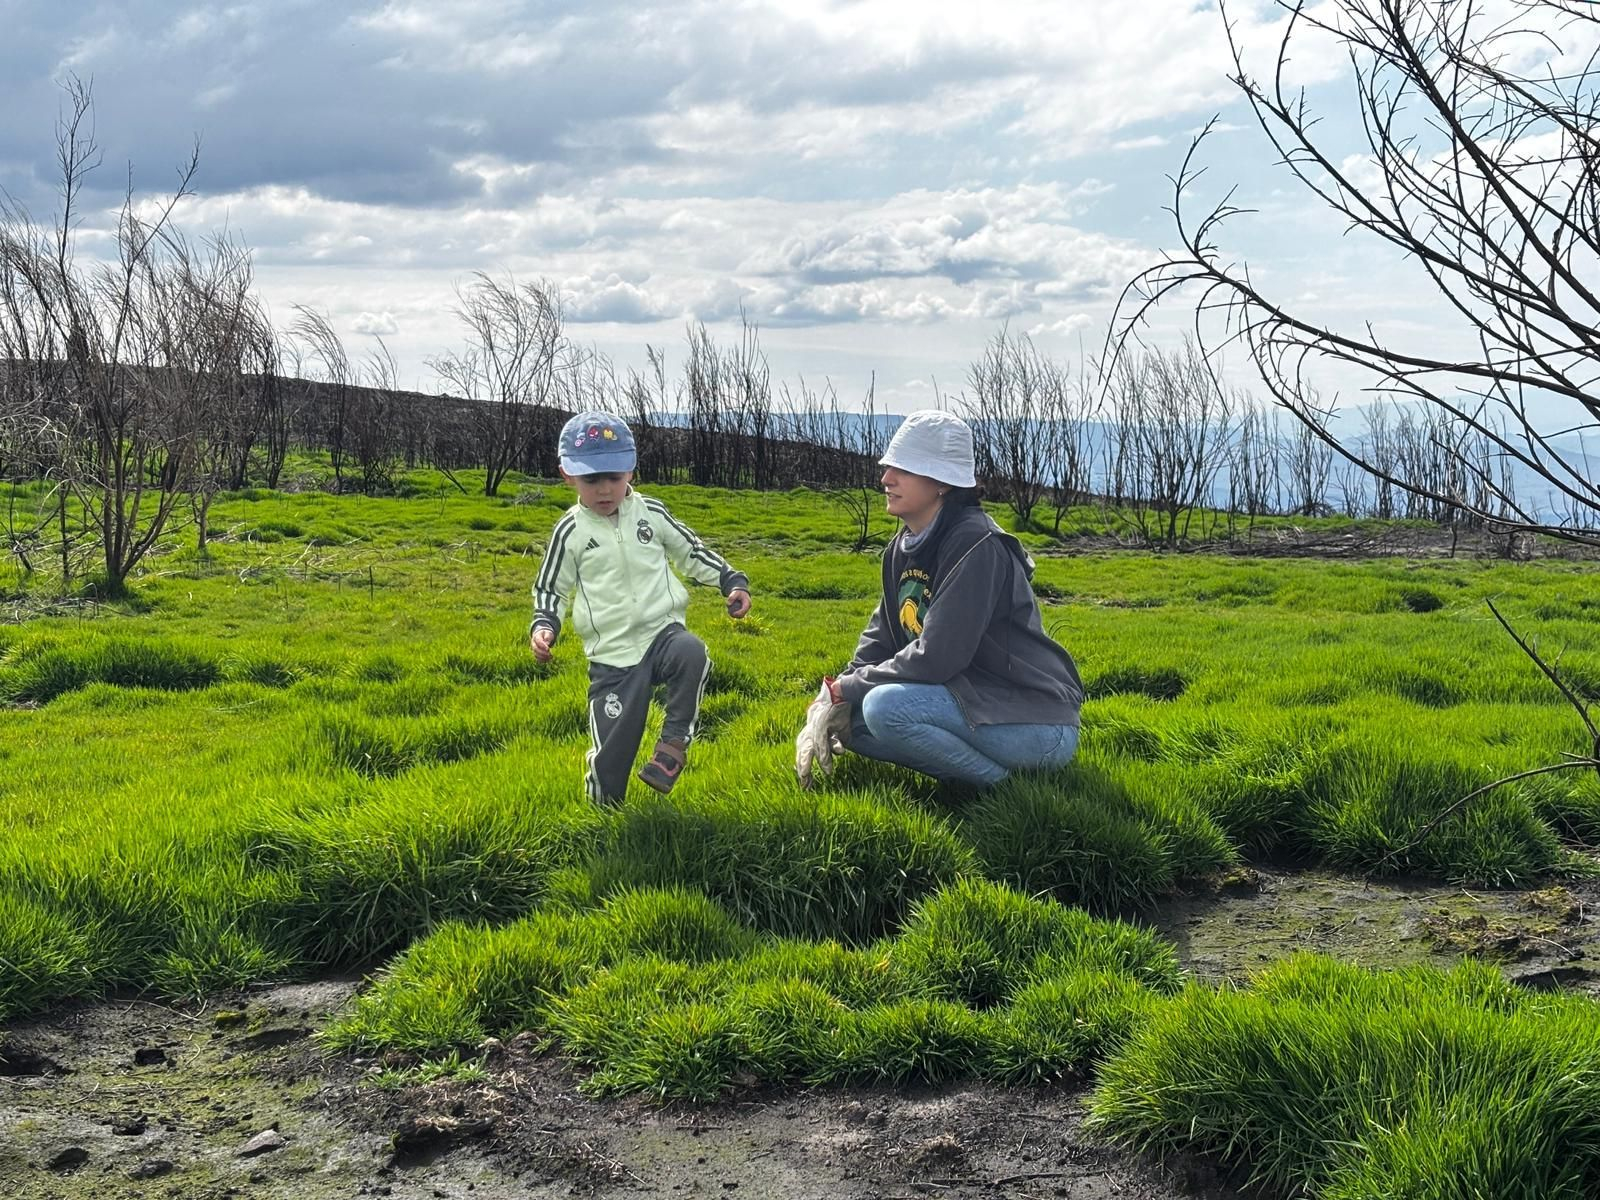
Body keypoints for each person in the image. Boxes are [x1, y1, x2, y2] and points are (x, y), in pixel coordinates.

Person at [795, 410, 1082, 789]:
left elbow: (938, 657)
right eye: (888, 467)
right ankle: (977, 777)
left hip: (1035, 721)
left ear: (942, 483)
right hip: (972, 705)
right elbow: (880, 638)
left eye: (905, 469)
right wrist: (831, 698)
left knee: (882, 708)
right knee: (852, 719)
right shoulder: (903, 548)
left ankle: (1003, 789)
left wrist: (846, 689)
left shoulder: (978, 546)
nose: (886, 479)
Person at [531, 412, 751, 803]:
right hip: (613, 657)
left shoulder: (651, 513)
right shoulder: (571, 532)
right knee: (612, 753)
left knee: (692, 651)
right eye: (591, 480)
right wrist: (545, 625)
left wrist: (729, 581)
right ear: (567, 476)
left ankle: (673, 747)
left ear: (630, 471)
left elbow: (691, 552)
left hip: (661, 634)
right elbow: (551, 586)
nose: (604, 490)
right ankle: (604, 813)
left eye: (613, 478)